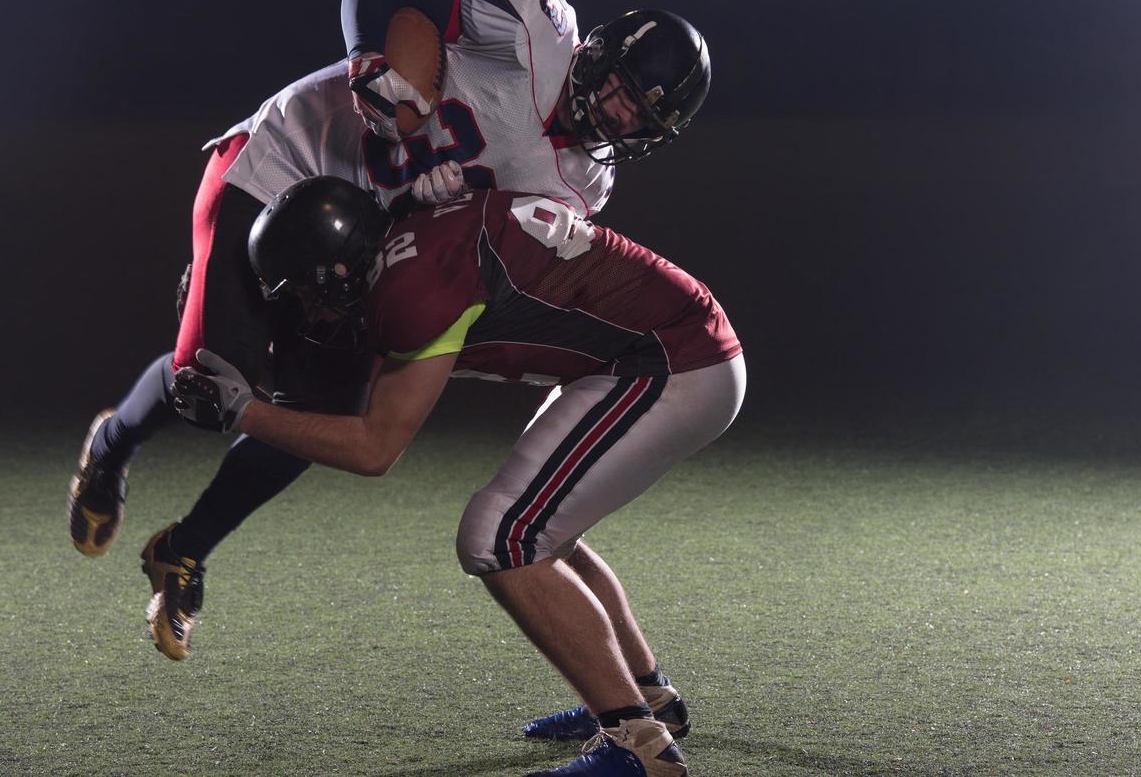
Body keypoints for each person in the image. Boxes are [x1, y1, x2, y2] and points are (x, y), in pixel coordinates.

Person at [67, 0, 713, 664]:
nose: (618, 117)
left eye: (641, 119)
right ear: (596, 52)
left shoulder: (581, 190)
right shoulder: (529, 24)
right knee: (209, 381)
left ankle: (184, 550)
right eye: (624, 90)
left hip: (367, 234)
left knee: (324, 415)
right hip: (286, 160)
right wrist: (371, 60)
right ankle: (113, 447)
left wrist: (441, 216)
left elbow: (476, 251)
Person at [173, 178, 744, 777]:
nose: (305, 312)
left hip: (672, 363)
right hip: (648, 352)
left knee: (501, 537)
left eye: (304, 295)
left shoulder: (411, 290)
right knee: (543, 532)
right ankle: (648, 700)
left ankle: (637, 747)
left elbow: (374, 448)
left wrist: (243, 410)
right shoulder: (406, 246)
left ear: (338, 270)